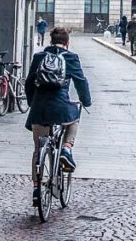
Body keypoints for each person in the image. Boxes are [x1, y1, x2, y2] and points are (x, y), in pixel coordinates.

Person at [25, 27, 92, 206]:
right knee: (74, 119)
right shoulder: (71, 57)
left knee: (38, 149)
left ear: (50, 40)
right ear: (67, 42)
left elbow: (29, 82)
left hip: (39, 110)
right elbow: (81, 82)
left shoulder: (39, 57)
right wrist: (86, 101)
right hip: (61, 108)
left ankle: (36, 189)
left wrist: (32, 103)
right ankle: (67, 149)